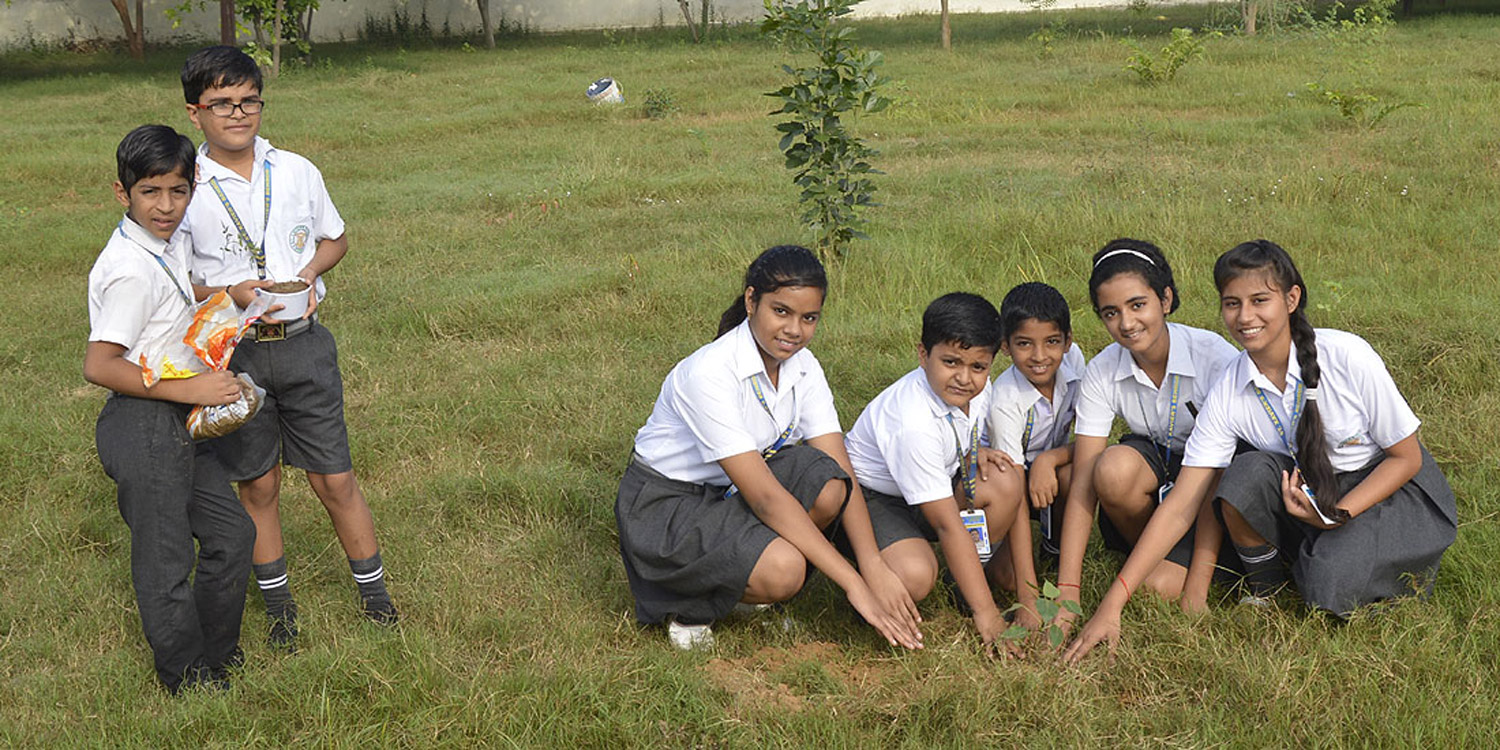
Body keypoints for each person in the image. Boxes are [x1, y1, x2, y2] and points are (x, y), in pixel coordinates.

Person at [1064, 240, 1457, 664]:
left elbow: (1407, 458)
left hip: (1384, 486)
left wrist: (1335, 516)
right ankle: (1268, 585)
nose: (1245, 317)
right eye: (1232, 303)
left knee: (1327, 586)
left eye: (1259, 301)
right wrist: (1112, 603)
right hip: (1303, 489)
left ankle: (1367, 558)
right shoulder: (1229, 387)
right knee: (1245, 473)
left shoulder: (1347, 355)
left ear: (1291, 299)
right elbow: (1183, 502)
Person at [179, 45, 395, 650]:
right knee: (260, 484)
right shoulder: (187, 188)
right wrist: (230, 290)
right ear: (195, 113)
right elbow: (180, 281)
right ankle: (280, 612)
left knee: (336, 479)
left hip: (303, 346)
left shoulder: (296, 170)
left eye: (249, 100)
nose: (238, 113)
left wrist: (309, 272)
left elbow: (337, 238)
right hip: (236, 356)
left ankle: (376, 599)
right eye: (221, 103)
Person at [615, 245, 922, 650]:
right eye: (781, 311)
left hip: (731, 492)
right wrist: (855, 584)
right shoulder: (708, 372)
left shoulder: (805, 366)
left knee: (829, 483)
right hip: (669, 506)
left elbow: (838, 466)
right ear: (750, 300)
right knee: (785, 570)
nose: (795, 330)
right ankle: (692, 606)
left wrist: (873, 565)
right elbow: (763, 499)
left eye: (809, 318)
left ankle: (740, 580)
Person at [85, 125, 267, 693]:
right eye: (150, 192)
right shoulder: (129, 270)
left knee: (232, 535)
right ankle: (187, 684)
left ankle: (217, 659)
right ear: (123, 193)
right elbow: (99, 364)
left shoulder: (164, 243)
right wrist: (187, 390)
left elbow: (178, 296)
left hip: (173, 421)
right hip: (141, 422)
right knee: (165, 562)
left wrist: (224, 308)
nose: (166, 206)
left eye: (178, 191)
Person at [1055, 239, 1240, 628]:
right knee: (1112, 469)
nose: (1126, 323)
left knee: (1158, 589)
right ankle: (1155, 555)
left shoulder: (1216, 359)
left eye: (1137, 305)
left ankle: (1207, 565)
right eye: (1111, 312)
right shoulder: (1103, 371)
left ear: (1166, 299)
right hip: (1159, 467)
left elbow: (1219, 472)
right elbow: (1085, 482)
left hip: (1217, 486)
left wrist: (1197, 590)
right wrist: (1067, 592)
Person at [845, 293, 1041, 649]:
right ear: (923, 354)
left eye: (978, 367)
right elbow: (947, 523)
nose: (964, 378)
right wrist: (989, 616)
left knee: (1003, 479)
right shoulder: (911, 422)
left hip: (933, 482)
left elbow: (965, 433)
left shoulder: (977, 390)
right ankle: (865, 578)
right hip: (873, 497)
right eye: (950, 362)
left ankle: (963, 581)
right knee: (914, 575)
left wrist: (975, 448)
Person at [986, 282, 1087, 574]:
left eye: (1052, 342)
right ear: (1005, 345)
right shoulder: (1005, 398)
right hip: (1006, 478)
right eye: (1024, 343)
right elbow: (1012, 480)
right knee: (1008, 577)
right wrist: (1027, 590)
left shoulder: (1074, 361)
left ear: (1068, 341)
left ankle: (1055, 550)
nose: (1040, 356)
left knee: (1073, 472)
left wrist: (1050, 459)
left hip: (1046, 470)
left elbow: (1093, 440)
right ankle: (989, 556)